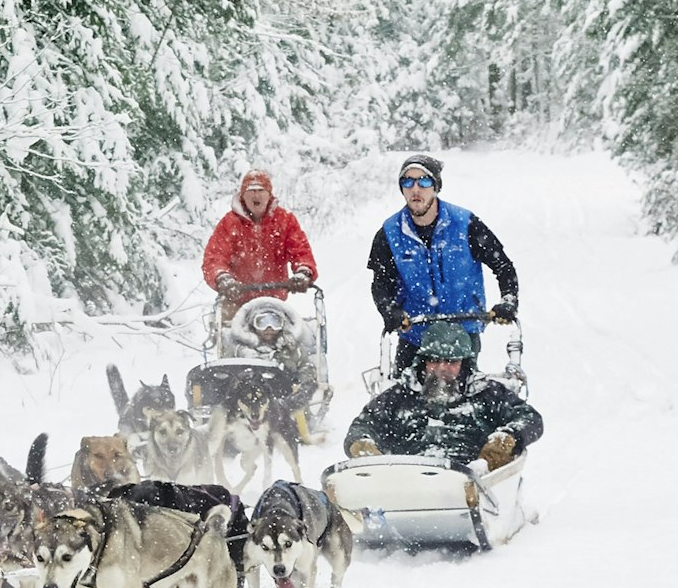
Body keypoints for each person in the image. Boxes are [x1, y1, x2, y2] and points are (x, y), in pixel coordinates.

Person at [366, 154, 518, 371]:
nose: (415, 189)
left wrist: (508, 301)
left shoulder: (465, 224)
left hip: (463, 332)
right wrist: (389, 311)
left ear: (436, 186)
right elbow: (380, 284)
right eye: (407, 181)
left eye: (424, 181)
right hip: (415, 333)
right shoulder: (390, 233)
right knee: (401, 398)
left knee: (466, 398)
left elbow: (503, 266)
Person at [343, 320, 542, 472]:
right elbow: (364, 425)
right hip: (406, 481)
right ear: (423, 361)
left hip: (474, 480)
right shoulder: (398, 397)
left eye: (451, 361)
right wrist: (362, 445)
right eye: (434, 360)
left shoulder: (487, 394)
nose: (441, 368)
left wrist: (506, 438)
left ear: (465, 363)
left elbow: (529, 418)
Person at [200, 168, 315, 347]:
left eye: (261, 191)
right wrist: (223, 278)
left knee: (295, 345)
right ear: (243, 195)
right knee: (229, 341)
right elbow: (214, 257)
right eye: (251, 191)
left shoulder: (285, 220)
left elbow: (300, 250)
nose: (256, 195)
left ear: (269, 195)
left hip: (274, 301)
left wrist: (303, 271)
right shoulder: (230, 223)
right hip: (237, 300)